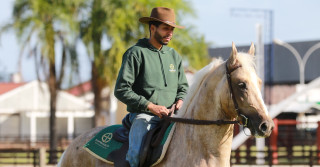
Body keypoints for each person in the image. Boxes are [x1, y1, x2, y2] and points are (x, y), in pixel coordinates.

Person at [114, 7, 189, 167]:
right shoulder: (135, 53)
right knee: (136, 156)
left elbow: (183, 87)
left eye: (172, 29)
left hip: (174, 116)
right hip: (144, 116)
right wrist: (150, 106)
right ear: (152, 28)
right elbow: (121, 90)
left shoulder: (174, 56)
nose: (170, 33)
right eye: (165, 28)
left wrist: (180, 100)